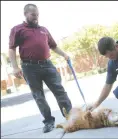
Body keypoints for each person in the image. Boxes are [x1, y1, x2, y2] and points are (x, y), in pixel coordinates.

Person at [8, 4, 72, 133]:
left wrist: (64, 54)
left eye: (37, 15)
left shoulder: (44, 30)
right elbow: (11, 48)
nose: (36, 17)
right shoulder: (17, 29)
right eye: (33, 15)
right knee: (39, 96)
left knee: (60, 91)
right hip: (29, 67)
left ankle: (70, 117)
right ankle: (48, 121)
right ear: (25, 14)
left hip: (47, 64)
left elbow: (53, 46)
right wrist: (15, 67)